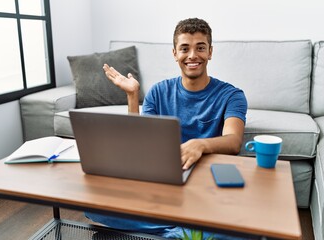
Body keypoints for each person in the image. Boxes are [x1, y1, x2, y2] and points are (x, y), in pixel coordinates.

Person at [86, 18, 248, 239]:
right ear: (174, 54)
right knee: (92, 206)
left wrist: (199, 144)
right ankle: (181, 232)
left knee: (246, 231)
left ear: (210, 52)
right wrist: (133, 97)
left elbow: (233, 141)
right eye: (185, 48)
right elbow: (139, 144)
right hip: (163, 185)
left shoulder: (232, 95)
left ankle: (165, 230)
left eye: (200, 48)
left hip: (205, 185)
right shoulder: (158, 92)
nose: (192, 55)